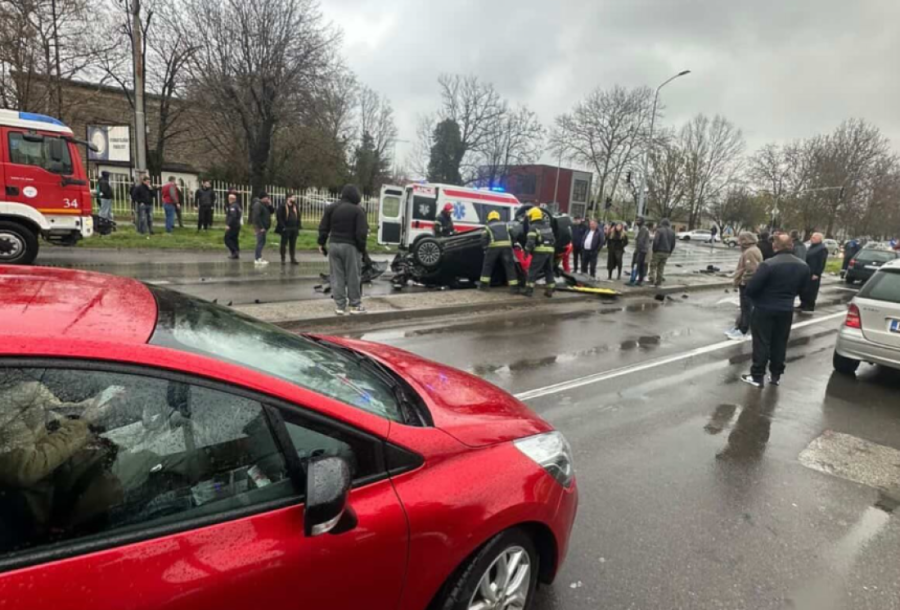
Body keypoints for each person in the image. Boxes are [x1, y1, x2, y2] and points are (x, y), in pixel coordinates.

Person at [742, 234, 810, 388]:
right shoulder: (803, 266)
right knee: (780, 342)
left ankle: (757, 375)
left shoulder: (768, 265)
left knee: (761, 343)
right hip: (786, 309)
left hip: (764, 307)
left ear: (775, 246)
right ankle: (776, 375)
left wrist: (755, 298)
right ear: (791, 246)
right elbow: (804, 290)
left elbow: (752, 288)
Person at [318, 185, 369, 315]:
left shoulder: (331, 208)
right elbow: (361, 233)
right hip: (351, 246)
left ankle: (340, 306)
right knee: (353, 276)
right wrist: (362, 249)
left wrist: (321, 243)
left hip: (334, 245)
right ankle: (355, 305)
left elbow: (323, 227)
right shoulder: (358, 210)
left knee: (336, 276)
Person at [725, 232, 763, 341]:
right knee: (744, 307)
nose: (738, 242)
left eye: (740, 240)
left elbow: (752, 269)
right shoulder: (749, 250)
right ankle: (739, 327)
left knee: (747, 308)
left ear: (746, 240)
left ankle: (743, 331)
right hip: (747, 283)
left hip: (748, 284)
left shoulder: (751, 252)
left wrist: (743, 281)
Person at [478, 210, 518, 293]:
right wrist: (512, 243)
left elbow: (483, 239)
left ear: (489, 218)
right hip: (506, 247)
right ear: (498, 218)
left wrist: (485, 248)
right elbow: (514, 234)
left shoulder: (487, 226)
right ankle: (514, 287)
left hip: (493, 248)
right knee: (510, 267)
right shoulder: (506, 224)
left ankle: (484, 286)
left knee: (488, 266)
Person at [523, 207, 556, 298]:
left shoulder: (533, 227)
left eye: (529, 217)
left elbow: (530, 242)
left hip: (540, 252)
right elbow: (553, 239)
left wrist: (526, 250)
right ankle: (549, 291)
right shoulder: (548, 226)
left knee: (533, 271)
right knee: (549, 271)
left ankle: (528, 290)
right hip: (550, 252)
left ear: (532, 217)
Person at [800, 232, 828, 312]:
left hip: (814, 272)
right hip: (807, 270)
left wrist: (817, 273)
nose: (812, 239)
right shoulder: (811, 247)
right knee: (804, 288)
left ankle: (810, 305)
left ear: (819, 239)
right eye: (812, 237)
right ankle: (803, 303)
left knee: (811, 290)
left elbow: (822, 262)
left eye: (814, 238)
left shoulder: (822, 249)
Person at [648, 218, 677, 287]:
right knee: (661, 267)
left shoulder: (659, 230)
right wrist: (670, 252)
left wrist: (654, 250)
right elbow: (673, 244)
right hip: (666, 252)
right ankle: (659, 282)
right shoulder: (672, 232)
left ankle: (652, 278)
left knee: (653, 265)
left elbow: (656, 241)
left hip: (658, 251)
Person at [250, 193, 274, 265]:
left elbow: (272, 211)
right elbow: (256, 217)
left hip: (264, 227)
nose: (268, 199)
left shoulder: (265, 205)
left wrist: (270, 204)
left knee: (262, 242)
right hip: (260, 227)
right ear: (263, 198)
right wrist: (261, 227)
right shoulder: (258, 205)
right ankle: (257, 258)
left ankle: (259, 257)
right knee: (260, 242)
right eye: (267, 198)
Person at [277, 194, 301, 265]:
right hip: (286, 228)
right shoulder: (283, 206)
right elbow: (279, 217)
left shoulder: (295, 206)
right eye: (293, 197)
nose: (294, 199)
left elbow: (298, 216)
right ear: (288, 198)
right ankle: (283, 259)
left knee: (293, 244)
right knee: (283, 244)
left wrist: (298, 226)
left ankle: (292, 258)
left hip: (294, 228)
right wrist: (283, 227)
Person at [628, 217, 651, 286]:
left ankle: (634, 280)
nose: (636, 221)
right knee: (640, 265)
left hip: (641, 250)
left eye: (638, 220)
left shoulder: (643, 229)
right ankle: (639, 280)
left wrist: (638, 250)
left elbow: (641, 240)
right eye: (636, 220)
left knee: (637, 265)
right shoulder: (641, 228)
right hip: (642, 249)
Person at [224, 192, 242, 260]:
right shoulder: (237, 206)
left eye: (229, 198)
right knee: (234, 239)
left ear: (231, 199)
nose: (228, 200)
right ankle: (236, 253)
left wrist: (228, 224)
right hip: (237, 225)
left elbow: (232, 216)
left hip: (233, 226)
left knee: (227, 239)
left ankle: (234, 251)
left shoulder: (233, 206)